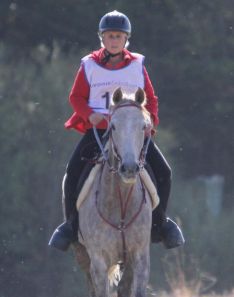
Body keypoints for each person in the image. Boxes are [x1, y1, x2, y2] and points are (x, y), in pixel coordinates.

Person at [49, 10, 184, 251]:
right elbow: (76, 97)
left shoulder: (137, 65)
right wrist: (89, 114)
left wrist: (150, 120)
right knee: (72, 173)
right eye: (110, 36)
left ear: (126, 39)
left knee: (164, 171)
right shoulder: (88, 65)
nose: (114, 40)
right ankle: (70, 225)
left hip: (132, 132)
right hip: (99, 130)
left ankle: (161, 223)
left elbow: (151, 99)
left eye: (119, 36)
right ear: (102, 38)